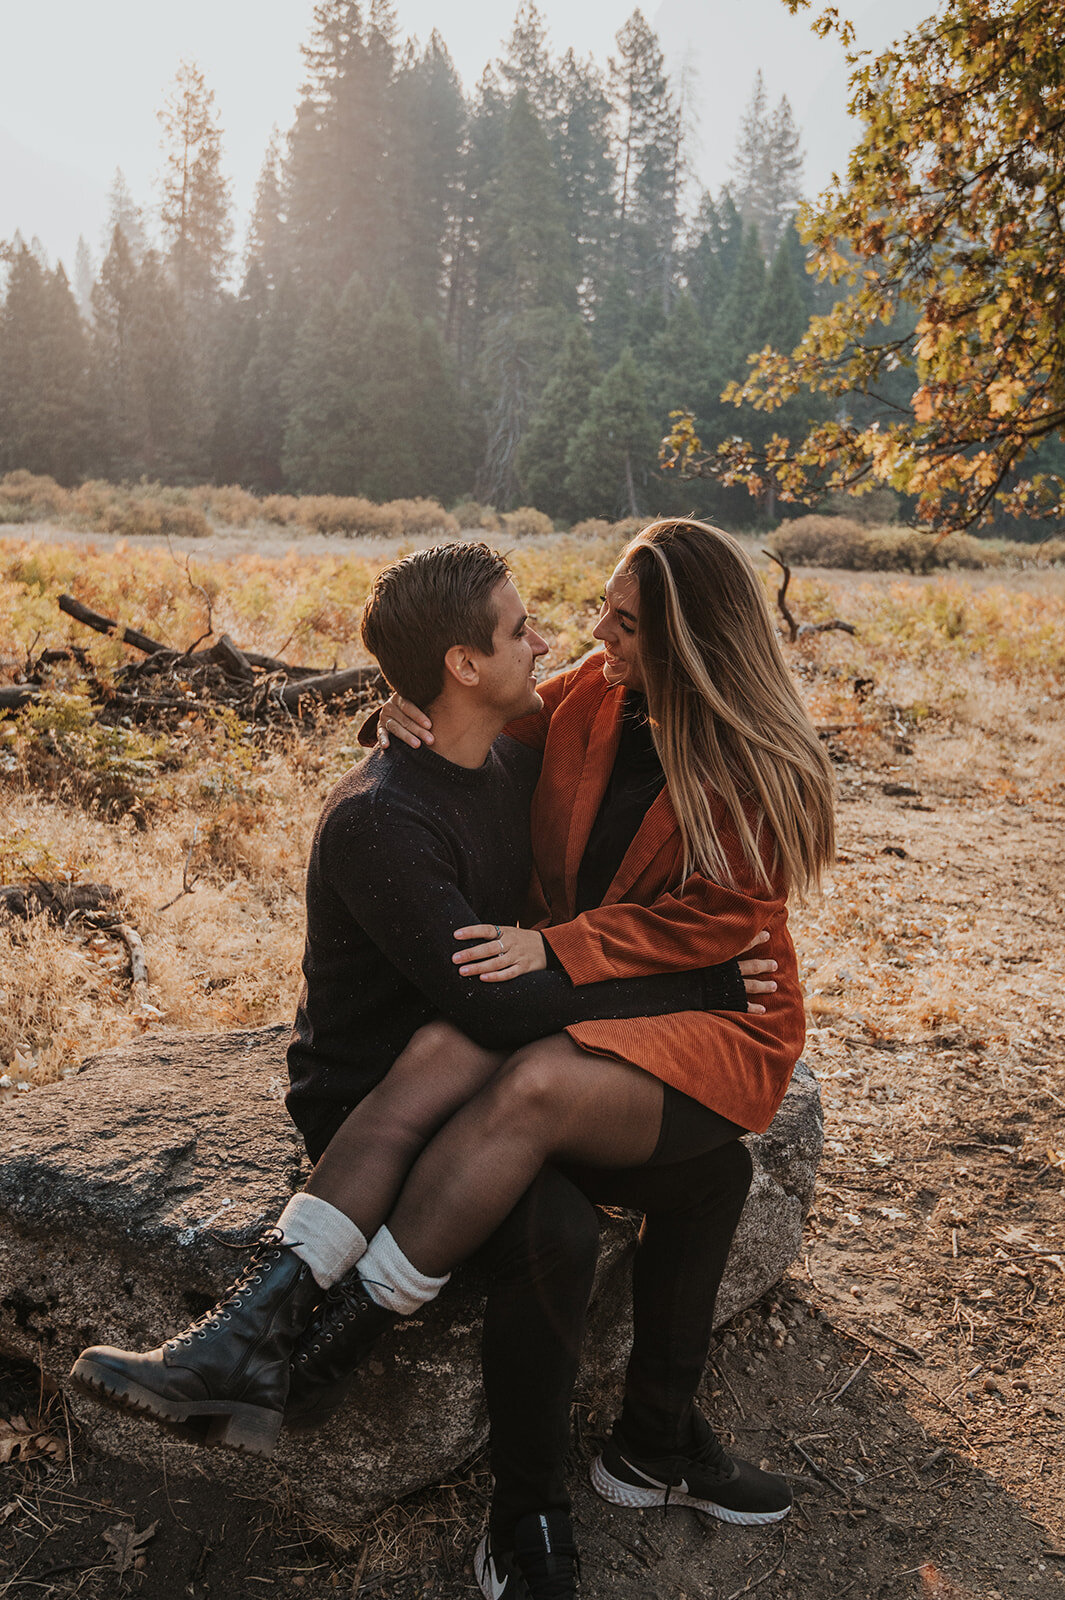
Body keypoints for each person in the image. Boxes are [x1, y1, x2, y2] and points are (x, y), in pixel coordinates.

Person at [69, 539, 779, 1531]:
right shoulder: (580, 703)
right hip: (520, 1023)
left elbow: (717, 934)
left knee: (600, 1122)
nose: (579, 638)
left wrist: (665, 969)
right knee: (527, 1130)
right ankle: (312, 1372)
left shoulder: (751, 773)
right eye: (567, 619)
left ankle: (308, 1355)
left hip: (703, 1013)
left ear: (690, 647)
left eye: (622, 624)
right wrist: (397, 706)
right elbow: (458, 731)